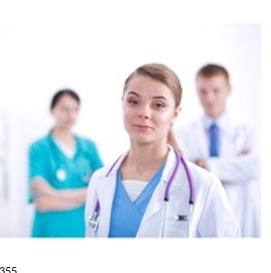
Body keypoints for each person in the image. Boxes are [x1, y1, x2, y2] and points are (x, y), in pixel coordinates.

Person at [85, 63, 238, 238]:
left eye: (158, 105)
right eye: (134, 101)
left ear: (175, 114)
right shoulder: (99, 181)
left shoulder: (204, 185)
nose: (144, 113)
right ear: (122, 104)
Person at [174, 64, 260, 237]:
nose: (209, 98)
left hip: (239, 211)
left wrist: (204, 164)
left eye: (216, 90)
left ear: (228, 89)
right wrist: (233, 167)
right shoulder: (182, 134)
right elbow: (181, 173)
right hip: (200, 213)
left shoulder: (245, 132)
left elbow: (254, 167)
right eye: (203, 91)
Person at [27, 89, 103, 237]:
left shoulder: (89, 147)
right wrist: (85, 197)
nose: (71, 115)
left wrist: (53, 193)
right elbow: (42, 203)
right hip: (49, 232)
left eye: (75, 110)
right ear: (52, 110)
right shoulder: (38, 149)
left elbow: (101, 192)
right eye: (65, 109)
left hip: (82, 231)